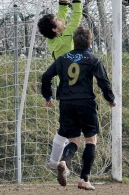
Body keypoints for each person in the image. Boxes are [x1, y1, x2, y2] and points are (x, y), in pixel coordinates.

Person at [41, 26, 116, 190]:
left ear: (74, 41)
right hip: (86, 103)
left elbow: (46, 76)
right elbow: (103, 81)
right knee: (91, 140)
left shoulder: (62, 59)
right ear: (90, 41)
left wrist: (48, 96)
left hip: (66, 104)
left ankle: (64, 161)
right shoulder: (93, 59)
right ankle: (84, 179)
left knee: (74, 140)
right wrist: (110, 99)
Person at [37, 0, 83, 174]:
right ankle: (62, 161)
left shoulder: (53, 38)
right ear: (57, 29)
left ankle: (55, 162)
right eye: (58, 21)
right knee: (78, 132)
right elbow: (77, 11)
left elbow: (63, 10)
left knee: (66, 127)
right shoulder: (66, 34)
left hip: (64, 88)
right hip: (78, 88)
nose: (61, 19)